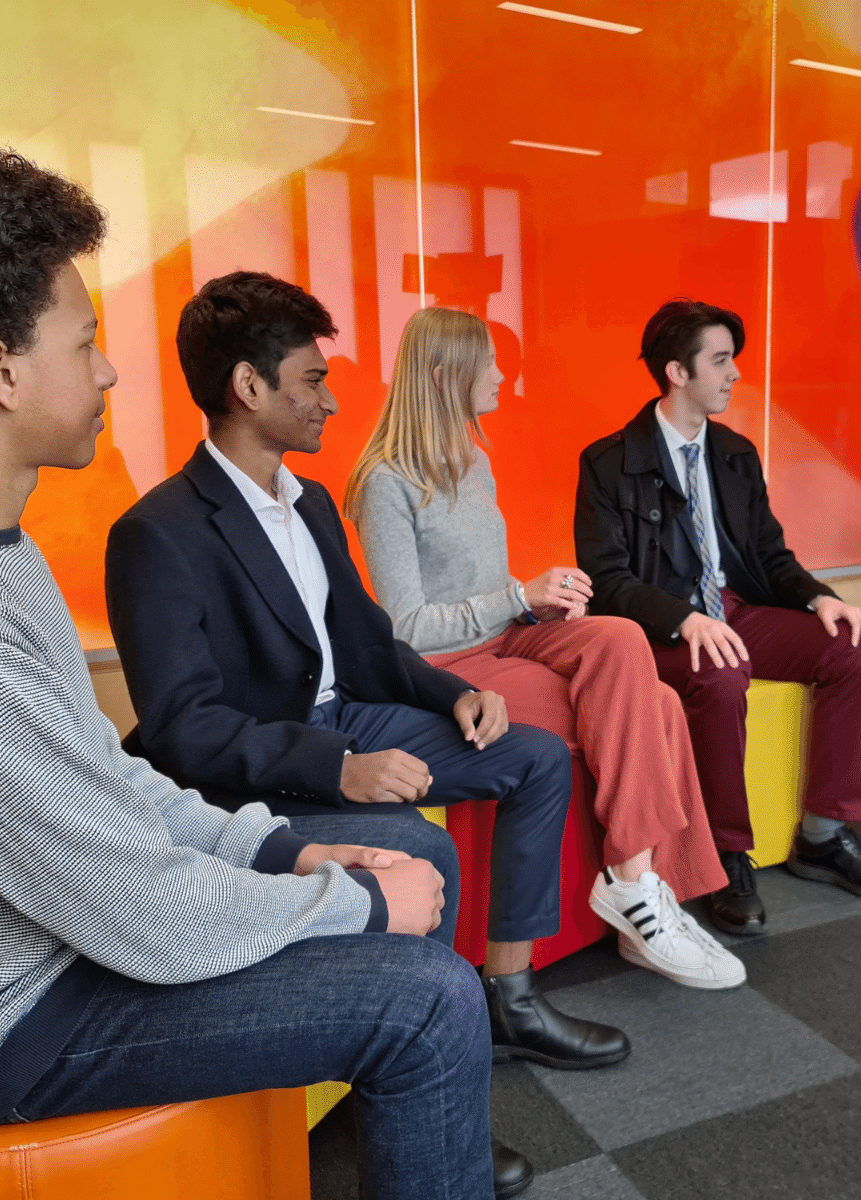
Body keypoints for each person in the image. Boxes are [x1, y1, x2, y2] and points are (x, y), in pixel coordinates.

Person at [0, 141, 501, 1200]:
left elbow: (104, 778)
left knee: (405, 860)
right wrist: (349, 905)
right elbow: (138, 909)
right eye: (86, 342)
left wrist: (282, 850)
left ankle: (421, 1130)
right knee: (429, 1000)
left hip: (51, 940)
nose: (110, 371)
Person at [103, 272, 630, 1088]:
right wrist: (338, 769)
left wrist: (454, 694)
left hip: (347, 716)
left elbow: (369, 643)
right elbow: (181, 726)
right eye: (313, 380)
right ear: (249, 387)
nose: (332, 401)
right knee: (421, 847)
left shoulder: (310, 503)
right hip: (261, 762)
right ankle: (417, 1060)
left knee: (534, 758)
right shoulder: (156, 533)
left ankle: (511, 998)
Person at [345, 307, 744, 990]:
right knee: (656, 706)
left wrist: (538, 602)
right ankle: (641, 893)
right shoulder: (385, 482)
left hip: (510, 637)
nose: (503, 375)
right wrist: (516, 595)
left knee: (619, 635)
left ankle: (638, 894)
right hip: (449, 666)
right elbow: (405, 628)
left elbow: (482, 587)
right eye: (489, 364)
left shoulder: (474, 461)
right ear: (444, 376)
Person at [574, 299, 861, 936]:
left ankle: (824, 834)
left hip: (734, 613)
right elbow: (609, 582)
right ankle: (727, 855)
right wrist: (685, 620)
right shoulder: (608, 462)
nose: (734, 374)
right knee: (721, 676)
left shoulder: (735, 453)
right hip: (660, 628)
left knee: (850, 647)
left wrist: (820, 598)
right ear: (678, 373)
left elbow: (769, 555)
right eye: (721, 361)